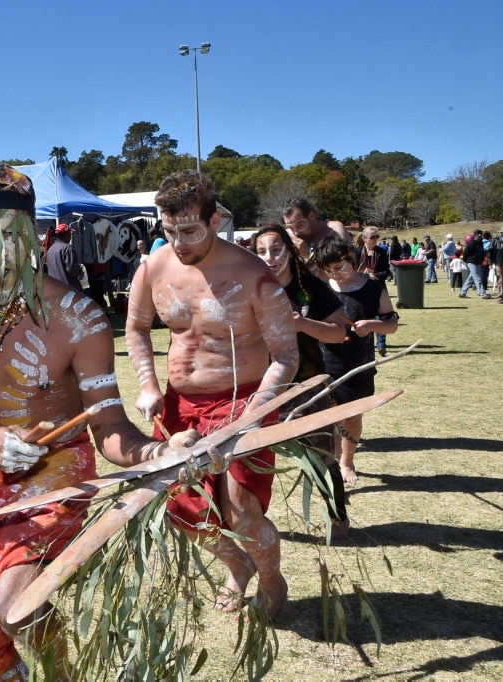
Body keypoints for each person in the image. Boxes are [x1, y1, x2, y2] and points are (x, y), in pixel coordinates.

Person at [0, 163, 162, 680]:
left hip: (59, 470)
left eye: (11, 240)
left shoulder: (77, 316)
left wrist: (153, 452)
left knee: (14, 600)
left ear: (36, 239)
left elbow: (109, 427)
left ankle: (64, 673)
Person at [128, 170, 299, 620]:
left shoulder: (253, 275)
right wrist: (147, 384)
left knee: (241, 509)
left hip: (244, 401)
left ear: (216, 219)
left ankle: (269, 578)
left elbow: (285, 355)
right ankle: (237, 567)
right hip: (179, 407)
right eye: (168, 231)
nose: (178, 242)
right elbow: (136, 328)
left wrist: (256, 413)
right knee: (185, 508)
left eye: (189, 230)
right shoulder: (153, 268)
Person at [251, 224, 350, 540]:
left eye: (277, 249)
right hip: (260, 388)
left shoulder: (309, 288)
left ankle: (337, 519)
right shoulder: (248, 287)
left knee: (322, 456)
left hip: (306, 386)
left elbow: (338, 333)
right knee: (249, 458)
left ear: (289, 251)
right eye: (262, 251)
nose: (270, 257)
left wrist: (303, 324)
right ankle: (249, 523)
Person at [312, 237, 399, 484]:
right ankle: (332, 463)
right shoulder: (321, 288)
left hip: (358, 365)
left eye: (339, 268)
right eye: (328, 270)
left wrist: (373, 325)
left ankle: (347, 462)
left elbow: (392, 325)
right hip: (325, 363)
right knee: (329, 418)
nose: (335, 275)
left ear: (351, 257)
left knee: (353, 417)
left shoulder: (373, 287)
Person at [282, 198, 350, 276]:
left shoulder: (334, 231)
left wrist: (310, 254)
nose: (296, 232)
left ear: (312, 215)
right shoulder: (288, 235)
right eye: (291, 228)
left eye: (300, 225)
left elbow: (349, 267)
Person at [355, 226, 391, 356]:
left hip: (378, 288)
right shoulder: (357, 252)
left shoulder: (381, 252)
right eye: (372, 237)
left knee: (380, 316)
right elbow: (353, 271)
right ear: (364, 238)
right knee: (364, 315)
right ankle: (365, 344)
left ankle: (381, 344)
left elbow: (386, 271)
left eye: (377, 237)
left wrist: (376, 274)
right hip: (362, 288)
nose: (375, 239)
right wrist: (365, 275)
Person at [44, 223, 83, 291]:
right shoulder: (68, 248)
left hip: (55, 289)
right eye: (70, 234)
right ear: (65, 235)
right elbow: (72, 269)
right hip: (68, 289)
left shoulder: (51, 249)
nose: (70, 237)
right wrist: (80, 271)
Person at [459, 229, 490, 299]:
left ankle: (462, 293)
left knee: (471, 278)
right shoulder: (471, 243)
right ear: (476, 235)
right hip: (471, 263)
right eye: (480, 234)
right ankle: (483, 294)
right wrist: (465, 261)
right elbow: (466, 253)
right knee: (477, 279)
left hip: (478, 263)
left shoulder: (481, 243)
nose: (481, 236)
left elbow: (482, 253)